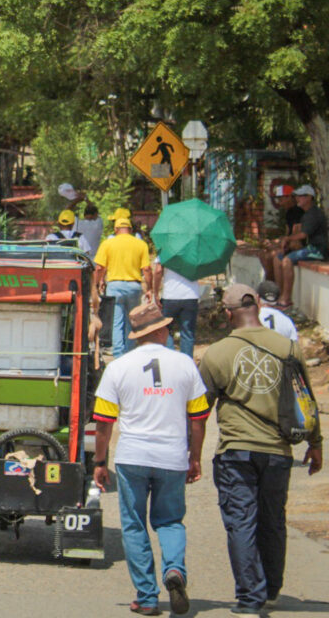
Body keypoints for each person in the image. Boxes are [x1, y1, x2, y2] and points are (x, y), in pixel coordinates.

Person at [198, 284, 322, 615]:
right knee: (272, 519)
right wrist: (316, 445)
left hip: (236, 450)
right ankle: (271, 588)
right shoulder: (288, 348)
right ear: (259, 306)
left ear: (228, 313)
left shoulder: (217, 353)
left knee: (241, 522)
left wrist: (190, 454)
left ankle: (250, 597)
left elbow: (198, 411)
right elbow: (306, 399)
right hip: (279, 451)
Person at [92, 302, 210, 616]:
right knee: (170, 520)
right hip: (172, 456)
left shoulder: (118, 366)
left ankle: (146, 596)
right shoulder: (184, 364)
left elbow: (103, 422)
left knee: (134, 525)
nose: (170, 331)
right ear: (159, 330)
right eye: (167, 327)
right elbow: (199, 417)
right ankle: (174, 570)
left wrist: (99, 462)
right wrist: (194, 457)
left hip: (133, 456)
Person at [94, 216, 152, 358]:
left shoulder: (108, 243)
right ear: (131, 229)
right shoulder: (140, 244)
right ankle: (130, 353)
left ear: (115, 229)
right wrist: (149, 289)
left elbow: (100, 267)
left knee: (117, 322)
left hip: (114, 286)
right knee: (131, 320)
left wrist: (97, 283)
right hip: (134, 286)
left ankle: (119, 355)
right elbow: (147, 269)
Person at [276, 185, 328, 306]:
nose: (297, 198)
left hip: (318, 250)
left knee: (287, 261)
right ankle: (279, 293)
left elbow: (303, 235)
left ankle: (286, 298)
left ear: (309, 197)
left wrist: (287, 239)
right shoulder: (307, 214)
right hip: (311, 248)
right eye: (297, 196)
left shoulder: (313, 214)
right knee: (279, 258)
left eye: (301, 196)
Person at [151, 257, 202, 358]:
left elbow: (158, 270)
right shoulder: (194, 248)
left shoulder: (166, 246)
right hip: (191, 294)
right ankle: (186, 363)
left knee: (166, 329)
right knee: (187, 333)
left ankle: (171, 360)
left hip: (171, 295)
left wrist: (155, 292)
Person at [261, 185, 302, 282]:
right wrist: (274, 242)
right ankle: (270, 286)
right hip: (288, 244)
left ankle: (274, 289)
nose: (280, 202)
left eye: (281, 199)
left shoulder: (298, 212)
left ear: (290, 197)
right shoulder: (288, 213)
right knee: (264, 255)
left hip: (297, 246)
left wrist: (280, 244)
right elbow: (287, 233)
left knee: (273, 256)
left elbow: (296, 235)